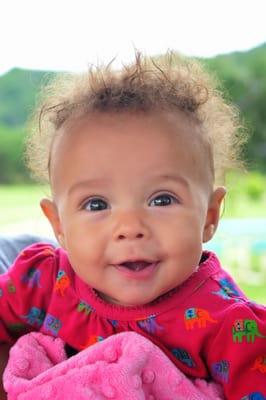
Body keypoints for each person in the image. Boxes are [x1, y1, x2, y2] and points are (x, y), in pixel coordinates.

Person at [0, 52, 265, 400]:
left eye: (162, 199)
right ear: (59, 224)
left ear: (210, 216)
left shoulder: (232, 327)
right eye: (96, 204)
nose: (130, 227)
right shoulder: (40, 281)